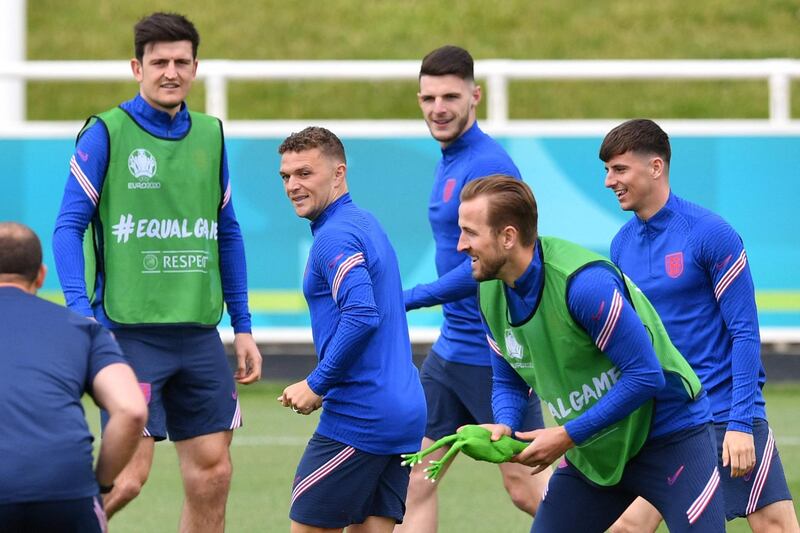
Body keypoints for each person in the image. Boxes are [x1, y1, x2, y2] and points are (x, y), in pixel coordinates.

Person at [52, 12, 262, 530]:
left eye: (181, 62)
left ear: (195, 67)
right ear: (136, 67)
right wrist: (81, 315)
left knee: (213, 474)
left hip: (198, 336)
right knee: (128, 477)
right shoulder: (105, 133)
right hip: (128, 334)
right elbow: (66, 228)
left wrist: (244, 326)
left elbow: (227, 233)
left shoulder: (211, 135)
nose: (171, 71)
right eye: (159, 62)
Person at [458, 175, 726, 532]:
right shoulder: (488, 292)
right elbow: (509, 378)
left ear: (507, 237)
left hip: (671, 434)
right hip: (595, 447)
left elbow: (646, 375)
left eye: (470, 232)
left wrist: (566, 435)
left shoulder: (583, 285)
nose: (461, 245)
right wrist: (505, 424)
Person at [601, 119, 798, 533]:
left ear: (655, 167)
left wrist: (742, 423)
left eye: (619, 170)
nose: (609, 181)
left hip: (724, 412)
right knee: (625, 527)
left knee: (775, 526)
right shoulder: (620, 245)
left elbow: (744, 333)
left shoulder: (711, 233)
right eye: (607, 170)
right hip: (667, 417)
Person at [397, 45, 550, 532]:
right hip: (451, 352)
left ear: (475, 97)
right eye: (428, 98)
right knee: (413, 479)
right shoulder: (451, 157)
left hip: (493, 353)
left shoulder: (487, 164)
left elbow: (497, 262)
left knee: (527, 488)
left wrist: (409, 297)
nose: (437, 108)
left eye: (449, 96)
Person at [277, 126, 427, 533]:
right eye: (286, 176)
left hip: (362, 415)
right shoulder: (365, 223)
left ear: (338, 173)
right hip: (403, 410)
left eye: (305, 173)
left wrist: (317, 383)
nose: (293, 185)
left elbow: (361, 314)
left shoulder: (335, 237)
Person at [0, 222, 147, 531]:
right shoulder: (83, 329)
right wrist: (101, 485)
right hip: (65, 489)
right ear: (41, 275)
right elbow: (132, 410)